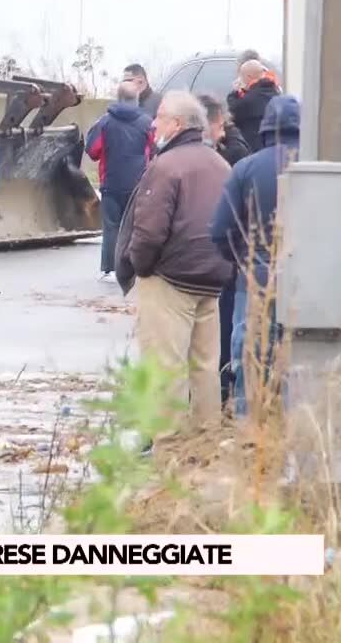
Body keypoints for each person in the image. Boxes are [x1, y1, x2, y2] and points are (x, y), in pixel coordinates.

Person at [114, 91, 235, 434]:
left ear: (178, 124)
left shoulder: (166, 166)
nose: (154, 123)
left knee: (165, 368)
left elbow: (149, 231)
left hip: (170, 280)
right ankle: (205, 442)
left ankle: (169, 449)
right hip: (211, 280)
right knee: (205, 368)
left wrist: (140, 266)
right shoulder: (220, 165)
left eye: (161, 117)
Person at [209, 95, 300, 418]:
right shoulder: (317, 166)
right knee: (301, 361)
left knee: (251, 360)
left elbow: (220, 230)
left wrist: (243, 261)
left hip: (255, 281)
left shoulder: (246, 168)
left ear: (264, 130)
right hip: (308, 284)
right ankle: (294, 429)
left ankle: (250, 431)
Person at [198, 94, 252, 405]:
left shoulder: (233, 156)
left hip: (227, 261)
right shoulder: (235, 151)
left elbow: (227, 218)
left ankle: (222, 390)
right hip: (230, 260)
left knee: (224, 327)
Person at [84, 80, 152, 279]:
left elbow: (92, 151)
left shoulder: (105, 122)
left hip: (111, 183)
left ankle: (110, 269)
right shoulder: (147, 122)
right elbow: (155, 148)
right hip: (138, 184)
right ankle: (133, 268)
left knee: (111, 227)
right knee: (135, 227)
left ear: (118, 97)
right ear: (137, 98)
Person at [227, 59, 281, 153]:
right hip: (273, 148)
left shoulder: (247, 101)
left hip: (253, 150)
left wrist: (235, 92)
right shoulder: (275, 93)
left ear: (248, 77)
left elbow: (233, 110)